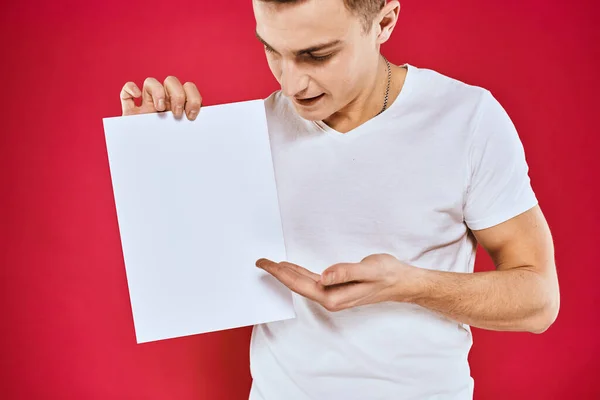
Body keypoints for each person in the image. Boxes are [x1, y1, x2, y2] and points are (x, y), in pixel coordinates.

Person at [119, 0, 560, 398]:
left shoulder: (467, 119)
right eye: (272, 49)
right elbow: (185, 282)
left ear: (384, 22)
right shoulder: (252, 133)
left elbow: (538, 300)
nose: (291, 83)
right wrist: (153, 155)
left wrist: (409, 285)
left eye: (317, 55)